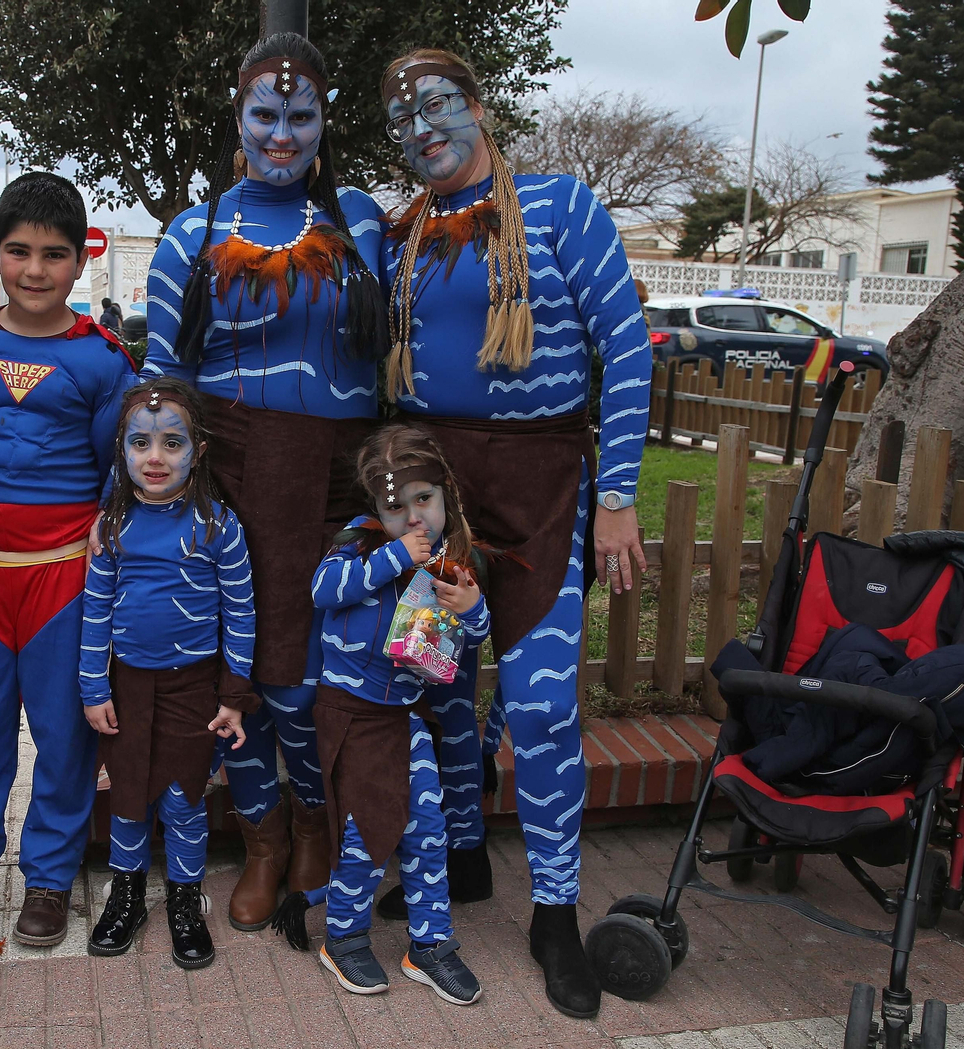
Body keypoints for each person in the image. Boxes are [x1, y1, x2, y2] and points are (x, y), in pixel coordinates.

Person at [376, 49, 652, 1019]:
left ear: (479, 107)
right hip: (434, 486)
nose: (423, 125)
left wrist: (614, 492)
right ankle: (458, 857)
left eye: (439, 104)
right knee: (437, 682)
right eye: (403, 115)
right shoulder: (398, 233)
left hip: (541, 482)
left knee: (537, 706)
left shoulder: (561, 206)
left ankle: (553, 912)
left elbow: (624, 346)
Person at [139, 31, 388, 932]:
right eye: (265, 114)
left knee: (312, 678)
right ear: (238, 118)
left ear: (325, 123)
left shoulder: (360, 221)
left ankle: (320, 827)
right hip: (231, 478)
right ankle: (265, 837)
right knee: (230, 672)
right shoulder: (191, 235)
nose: (283, 133)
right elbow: (159, 381)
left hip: (334, 483)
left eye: (301, 116)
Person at [0, 172, 137, 947]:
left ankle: (49, 874)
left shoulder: (106, 360)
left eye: (54, 254)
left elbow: (126, 470)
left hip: (63, 582)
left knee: (64, 732)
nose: (35, 270)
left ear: (80, 262)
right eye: (19, 252)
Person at [303, 424, 488, 1005]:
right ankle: (345, 938)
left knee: (427, 832)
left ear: (444, 496)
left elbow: (473, 639)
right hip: (350, 719)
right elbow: (322, 591)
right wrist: (390, 558)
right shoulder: (358, 547)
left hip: (402, 720)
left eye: (424, 501)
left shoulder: (448, 566)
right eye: (395, 506)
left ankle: (430, 946)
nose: (413, 518)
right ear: (374, 507)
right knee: (365, 833)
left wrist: (474, 607)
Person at [80, 378, 257, 969]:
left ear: (199, 449)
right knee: (129, 797)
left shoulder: (219, 527)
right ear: (122, 450)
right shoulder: (110, 526)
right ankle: (127, 893)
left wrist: (233, 694)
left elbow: (241, 613)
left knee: (183, 800)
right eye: (140, 443)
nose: (155, 458)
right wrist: (92, 686)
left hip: (194, 689)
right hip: (127, 688)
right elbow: (95, 610)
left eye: (172, 443)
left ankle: (185, 897)